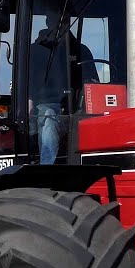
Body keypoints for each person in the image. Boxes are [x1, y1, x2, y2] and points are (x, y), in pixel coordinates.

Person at [28, 19, 99, 164]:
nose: (61, 24)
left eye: (65, 20)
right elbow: (27, 85)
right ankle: (47, 167)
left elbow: (92, 84)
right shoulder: (34, 51)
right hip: (45, 107)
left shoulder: (81, 50)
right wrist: (28, 107)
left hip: (78, 109)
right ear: (48, 22)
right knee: (49, 117)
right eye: (57, 20)